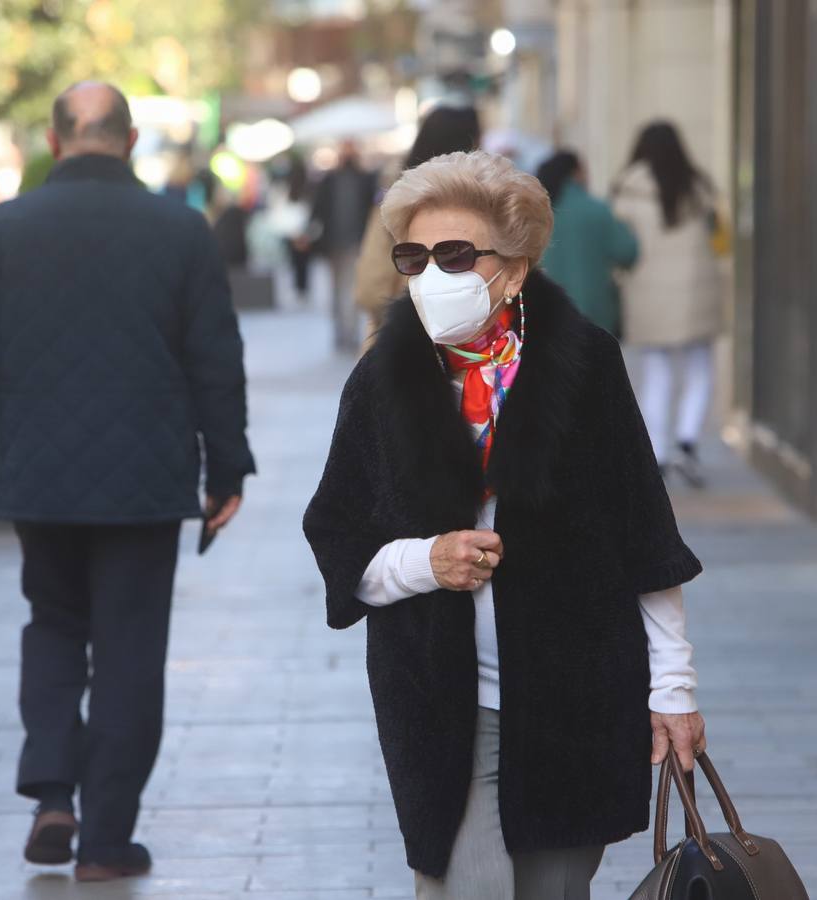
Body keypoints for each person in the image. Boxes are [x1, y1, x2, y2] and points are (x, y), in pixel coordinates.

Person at [303, 150, 706, 898]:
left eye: (456, 254)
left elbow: (644, 533)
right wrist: (428, 561)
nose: (432, 275)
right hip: (439, 701)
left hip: (573, 700)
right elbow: (338, 538)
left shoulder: (585, 365)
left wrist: (674, 687)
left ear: (514, 269)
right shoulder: (383, 381)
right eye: (414, 256)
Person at [0, 82, 256, 883]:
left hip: (40, 480)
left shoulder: (1, 230)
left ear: (54, 139)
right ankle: (107, 841)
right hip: (145, 484)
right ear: (132, 138)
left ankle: (52, 792)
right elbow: (215, 362)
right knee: (129, 651)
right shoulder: (181, 231)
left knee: (52, 622)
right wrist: (227, 468)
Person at [612, 122, 724, 488]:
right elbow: (721, 238)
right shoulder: (699, 186)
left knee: (655, 374)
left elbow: (620, 246)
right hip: (697, 292)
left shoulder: (627, 188)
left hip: (648, 296)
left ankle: (657, 452)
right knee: (699, 369)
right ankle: (688, 441)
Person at [354, 105, 482, 343]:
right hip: (423, 345)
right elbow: (370, 288)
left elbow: (369, 288)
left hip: (401, 346)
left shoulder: (394, 198)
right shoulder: (396, 202)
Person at [536, 150, 639, 338]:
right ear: (575, 173)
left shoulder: (538, 214)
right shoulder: (597, 209)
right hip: (596, 312)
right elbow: (627, 252)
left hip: (548, 311)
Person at [306, 139, 378, 352]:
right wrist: (309, 232)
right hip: (333, 244)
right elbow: (317, 209)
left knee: (351, 290)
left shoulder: (365, 179)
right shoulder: (329, 179)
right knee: (337, 290)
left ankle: (350, 332)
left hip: (358, 243)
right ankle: (341, 332)